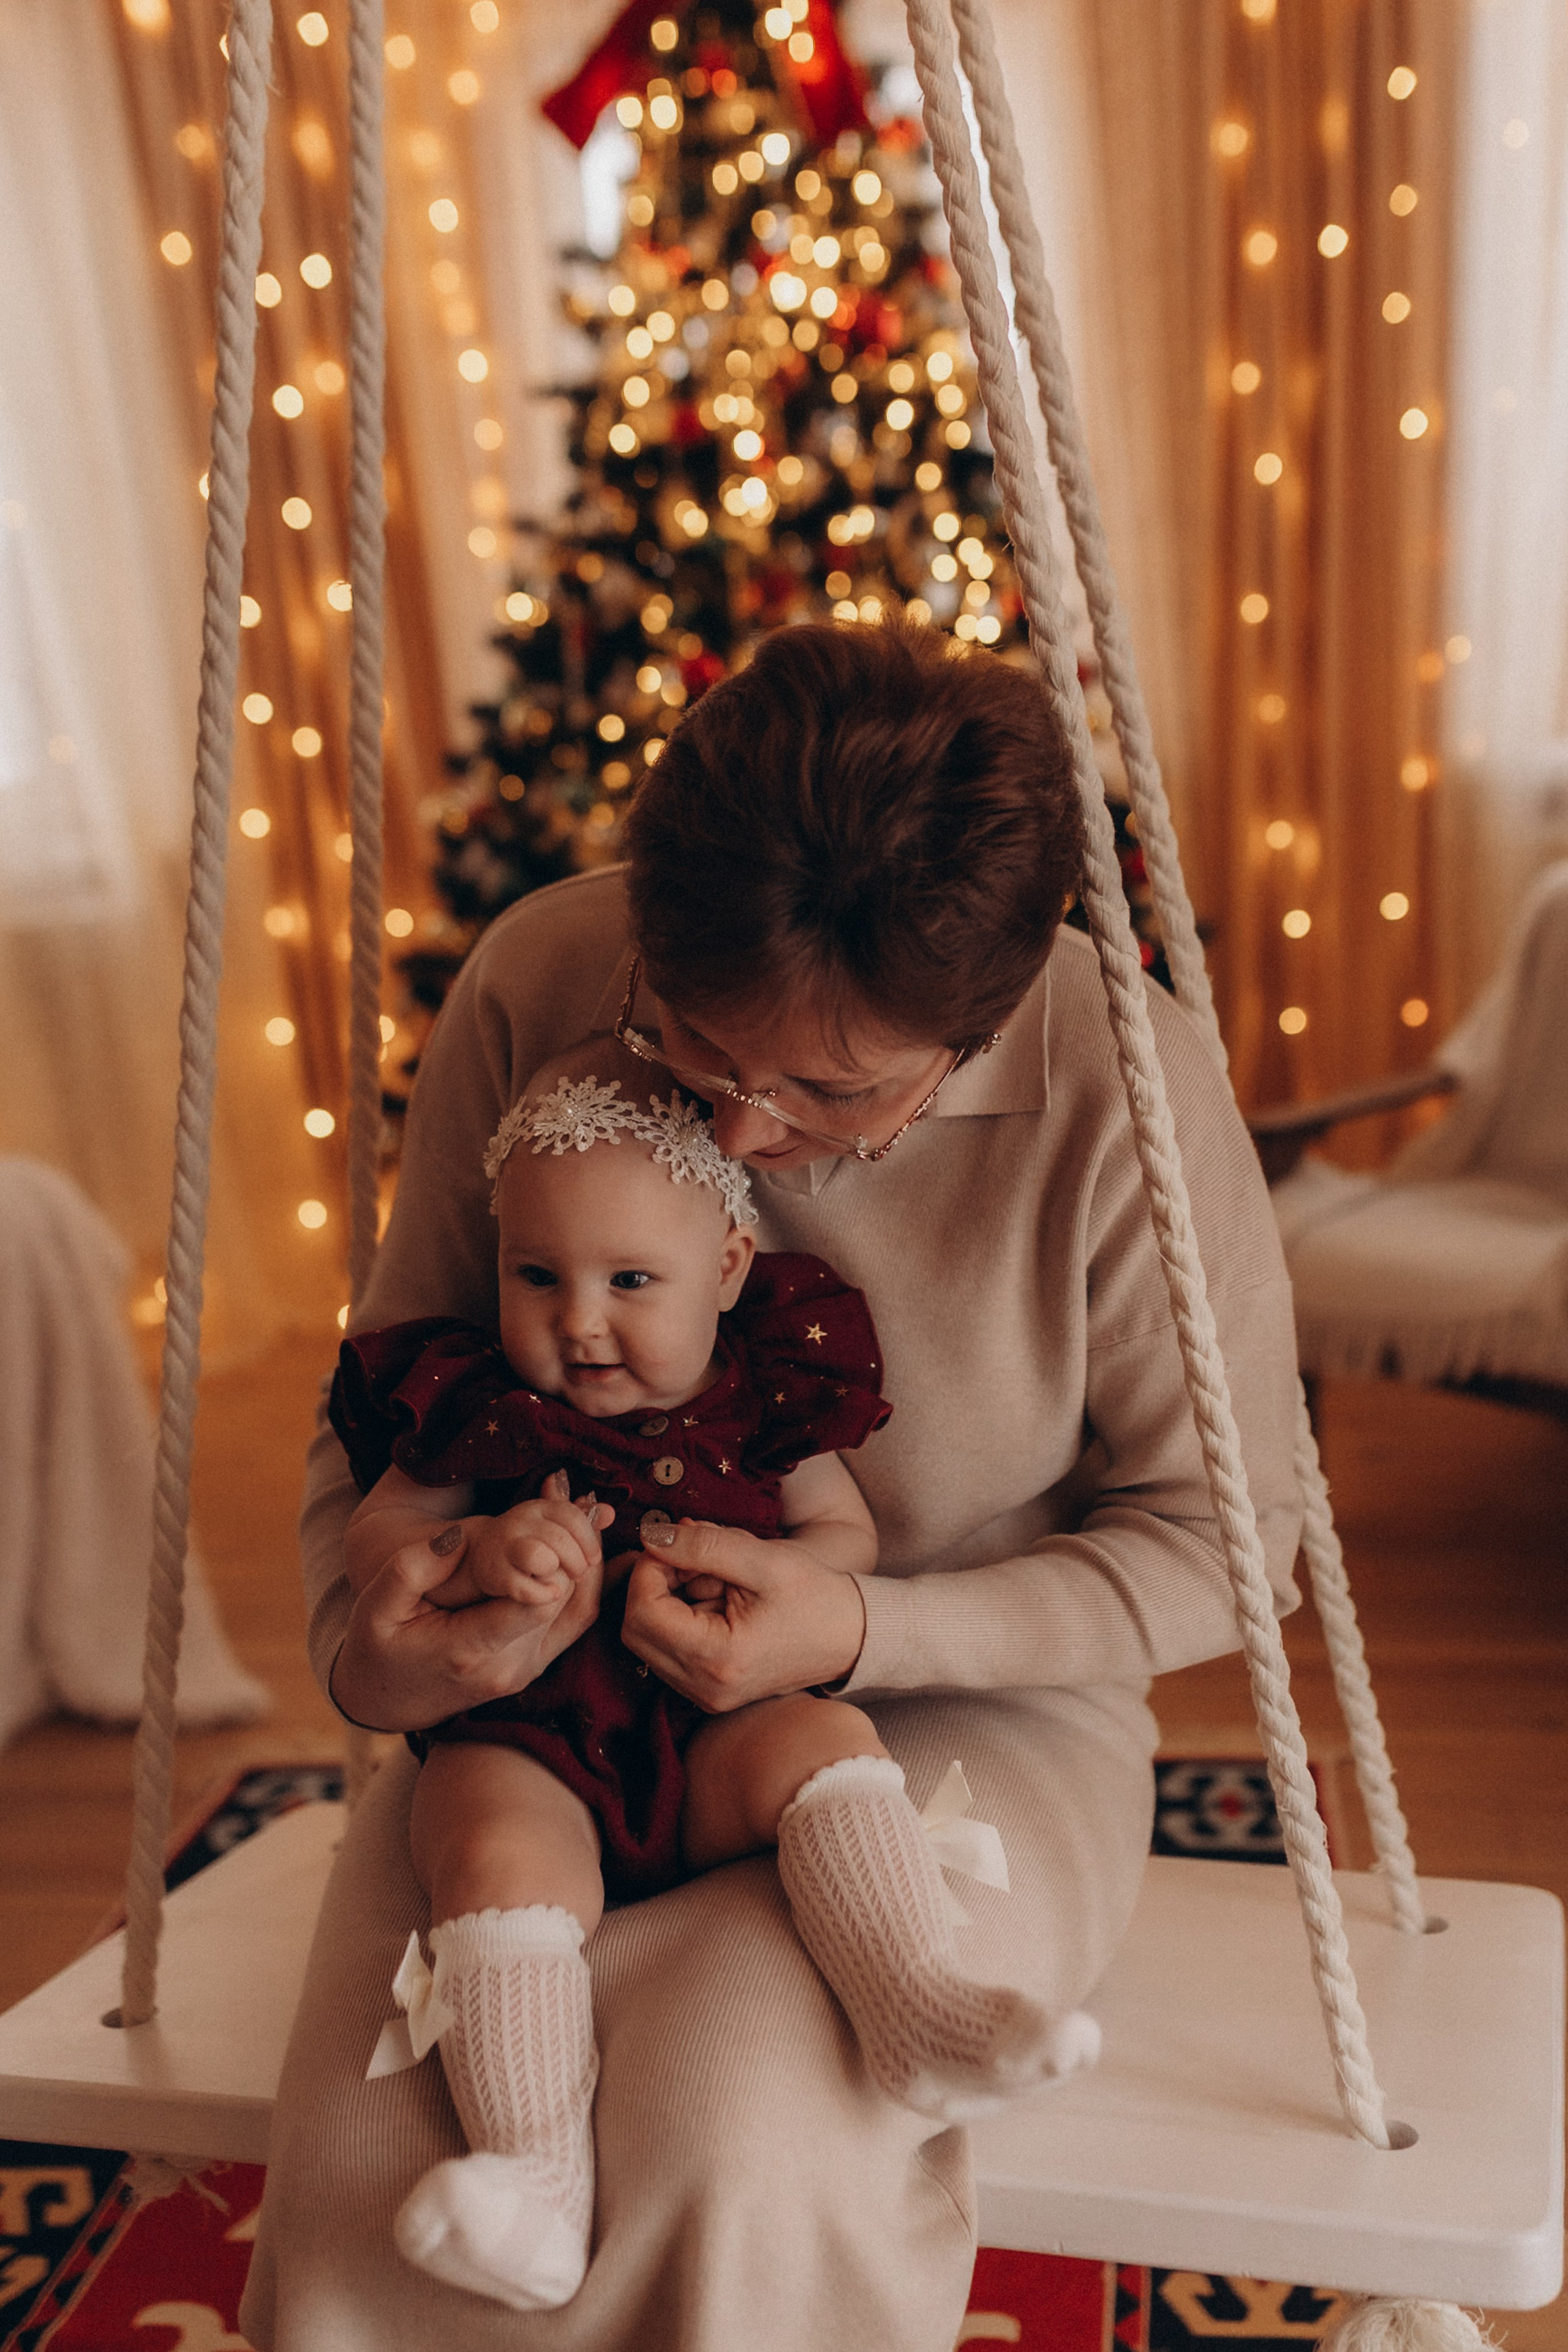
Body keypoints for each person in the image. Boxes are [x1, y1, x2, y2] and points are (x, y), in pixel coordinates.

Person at [243, 623, 1303, 2352]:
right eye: (695, 1045)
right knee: (390, 2152)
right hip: (535, 1719)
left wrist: (864, 1624)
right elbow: (388, 1413)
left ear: (979, 1027)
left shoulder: (1127, 1086)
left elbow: (1230, 1546)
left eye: (833, 1091)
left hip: (965, 1706)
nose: (740, 1133)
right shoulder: (540, 975)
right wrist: (392, 1653)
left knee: (734, 2125)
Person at [328, 1040, 1095, 2313]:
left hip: (714, 1729)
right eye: (538, 1276)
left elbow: (842, 1535)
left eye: (631, 1279)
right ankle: (531, 2180)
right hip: (535, 1744)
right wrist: (473, 1552)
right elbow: (381, 1539)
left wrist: (775, 1578)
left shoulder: (761, 1393)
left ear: (727, 1269)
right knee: (479, 1838)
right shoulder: (477, 1402)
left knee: (829, 1742)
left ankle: (916, 2009)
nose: (579, 1320)